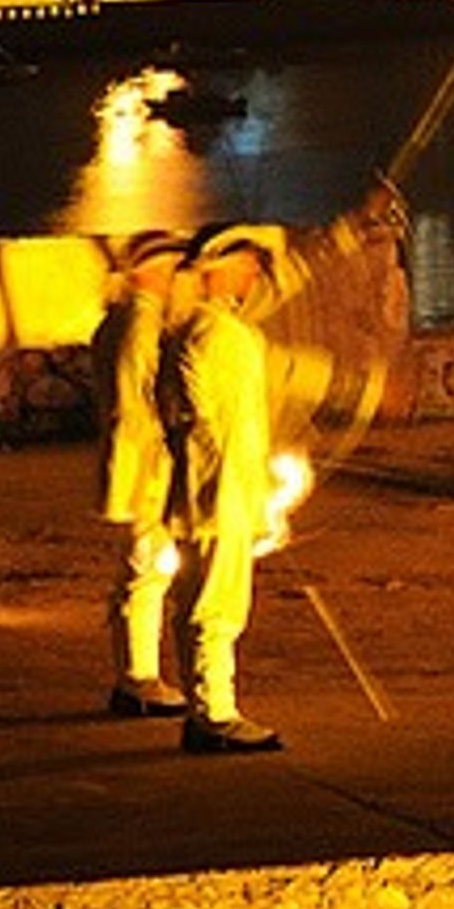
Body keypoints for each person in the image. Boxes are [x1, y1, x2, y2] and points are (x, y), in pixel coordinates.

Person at [161, 226, 290, 752]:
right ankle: (215, 714)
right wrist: (233, 486)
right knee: (218, 607)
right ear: (218, 268)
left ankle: (205, 710)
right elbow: (203, 423)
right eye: (247, 264)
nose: (255, 274)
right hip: (220, 492)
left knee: (197, 603)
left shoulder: (196, 332)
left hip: (210, 489)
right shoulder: (218, 336)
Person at [90, 230, 198, 717]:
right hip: (149, 463)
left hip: (139, 460)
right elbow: (136, 402)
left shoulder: (122, 319)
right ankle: (139, 678)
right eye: (172, 267)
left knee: (144, 570)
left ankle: (138, 675)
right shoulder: (140, 323)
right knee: (147, 569)